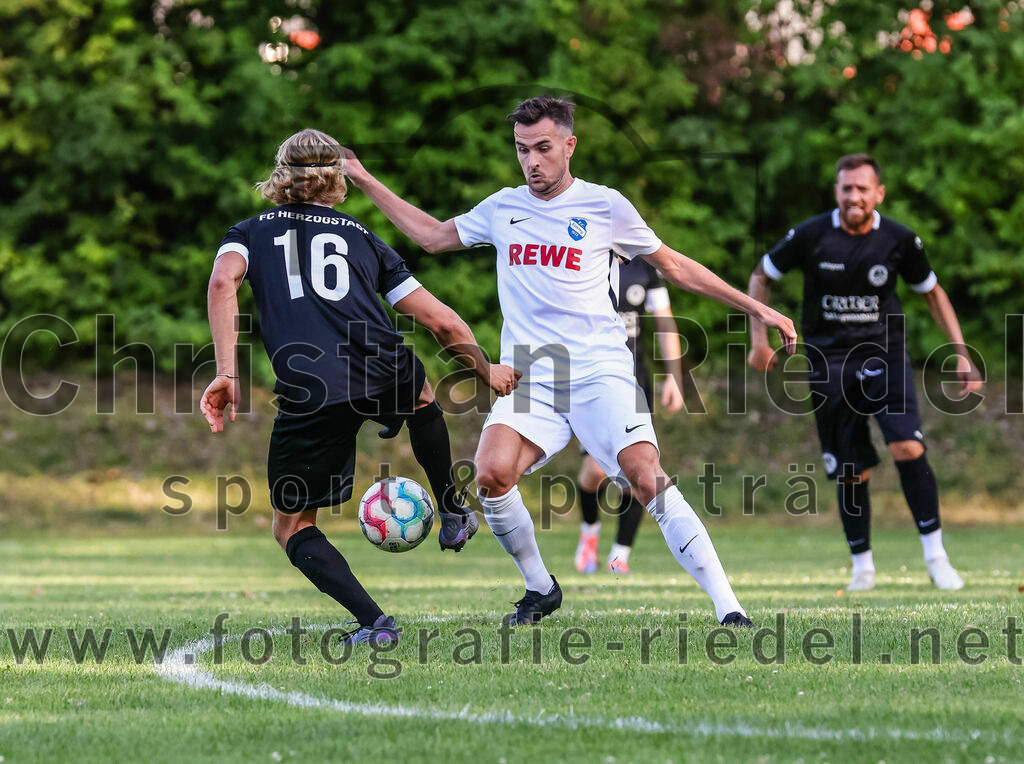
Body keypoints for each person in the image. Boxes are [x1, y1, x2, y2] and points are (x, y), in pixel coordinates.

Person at [342, 96, 797, 627]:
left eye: (543, 148)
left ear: (569, 145)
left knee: (644, 477)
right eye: (522, 150)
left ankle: (729, 607)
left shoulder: (605, 206)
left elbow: (674, 267)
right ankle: (541, 589)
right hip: (532, 378)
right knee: (490, 475)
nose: (531, 161)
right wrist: (364, 178)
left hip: (600, 371)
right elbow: (430, 236)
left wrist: (758, 308)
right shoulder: (503, 207)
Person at [200, 129, 520, 644]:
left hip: (312, 388)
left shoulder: (248, 232)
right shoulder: (363, 237)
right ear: (338, 180)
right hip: (383, 364)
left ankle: (375, 623)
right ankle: (451, 508)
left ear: (280, 175)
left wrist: (227, 372)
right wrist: (486, 369)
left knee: (291, 526)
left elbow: (222, 283)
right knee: (420, 394)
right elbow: (441, 322)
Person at [747, 153, 982, 591]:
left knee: (908, 446)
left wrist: (961, 352)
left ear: (879, 193)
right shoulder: (811, 235)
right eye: (846, 188)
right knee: (851, 469)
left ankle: (937, 559)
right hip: (829, 363)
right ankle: (863, 568)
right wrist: (759, 339)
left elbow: (933, 293)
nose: (853, 196)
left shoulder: (899, 239)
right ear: (836, 191)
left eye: (862, 188)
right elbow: (762, 275)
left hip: (884, 356)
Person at [574, 256, 684, 575]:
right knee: (595, 471)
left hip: (634, 383)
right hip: (592, 380)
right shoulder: (584, 253)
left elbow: (664, 321)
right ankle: (589, 534)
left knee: (636, 473)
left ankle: (619, 557)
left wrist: (675, 378)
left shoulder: (644, 263)